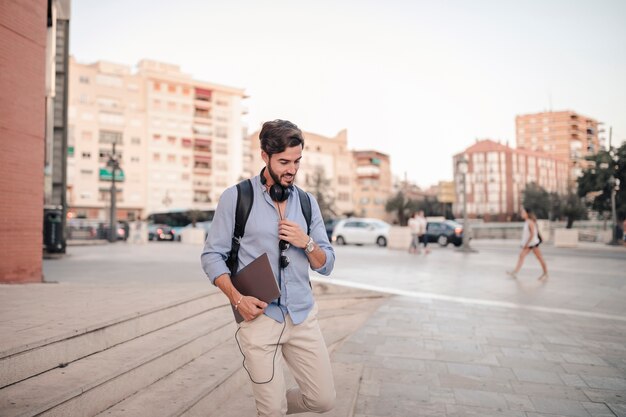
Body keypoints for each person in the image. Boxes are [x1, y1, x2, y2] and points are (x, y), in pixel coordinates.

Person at [201, 120, 336, 416]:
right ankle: (270, 407)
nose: (292, 169)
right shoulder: (235, 198)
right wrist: (237, 299)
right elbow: (212, 256)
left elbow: (327, 264)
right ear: (265, 156)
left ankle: (272, 404)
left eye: (297, 161)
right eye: (284, 162)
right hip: (260, 319)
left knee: (323, 400)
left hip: (303, 317)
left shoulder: (307, 202)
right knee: (271, 411)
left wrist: (307, 242)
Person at [507, 207, 548, 280]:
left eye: (523, 212)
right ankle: (515, 272)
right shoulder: (527, 222)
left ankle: (545, 273)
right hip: (530, 244)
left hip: (533, 244)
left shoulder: (530, 222)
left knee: (539, 258)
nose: (522, 214)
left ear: (527, 214)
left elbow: (532, 234)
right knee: (521, 256)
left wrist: (526, 244)